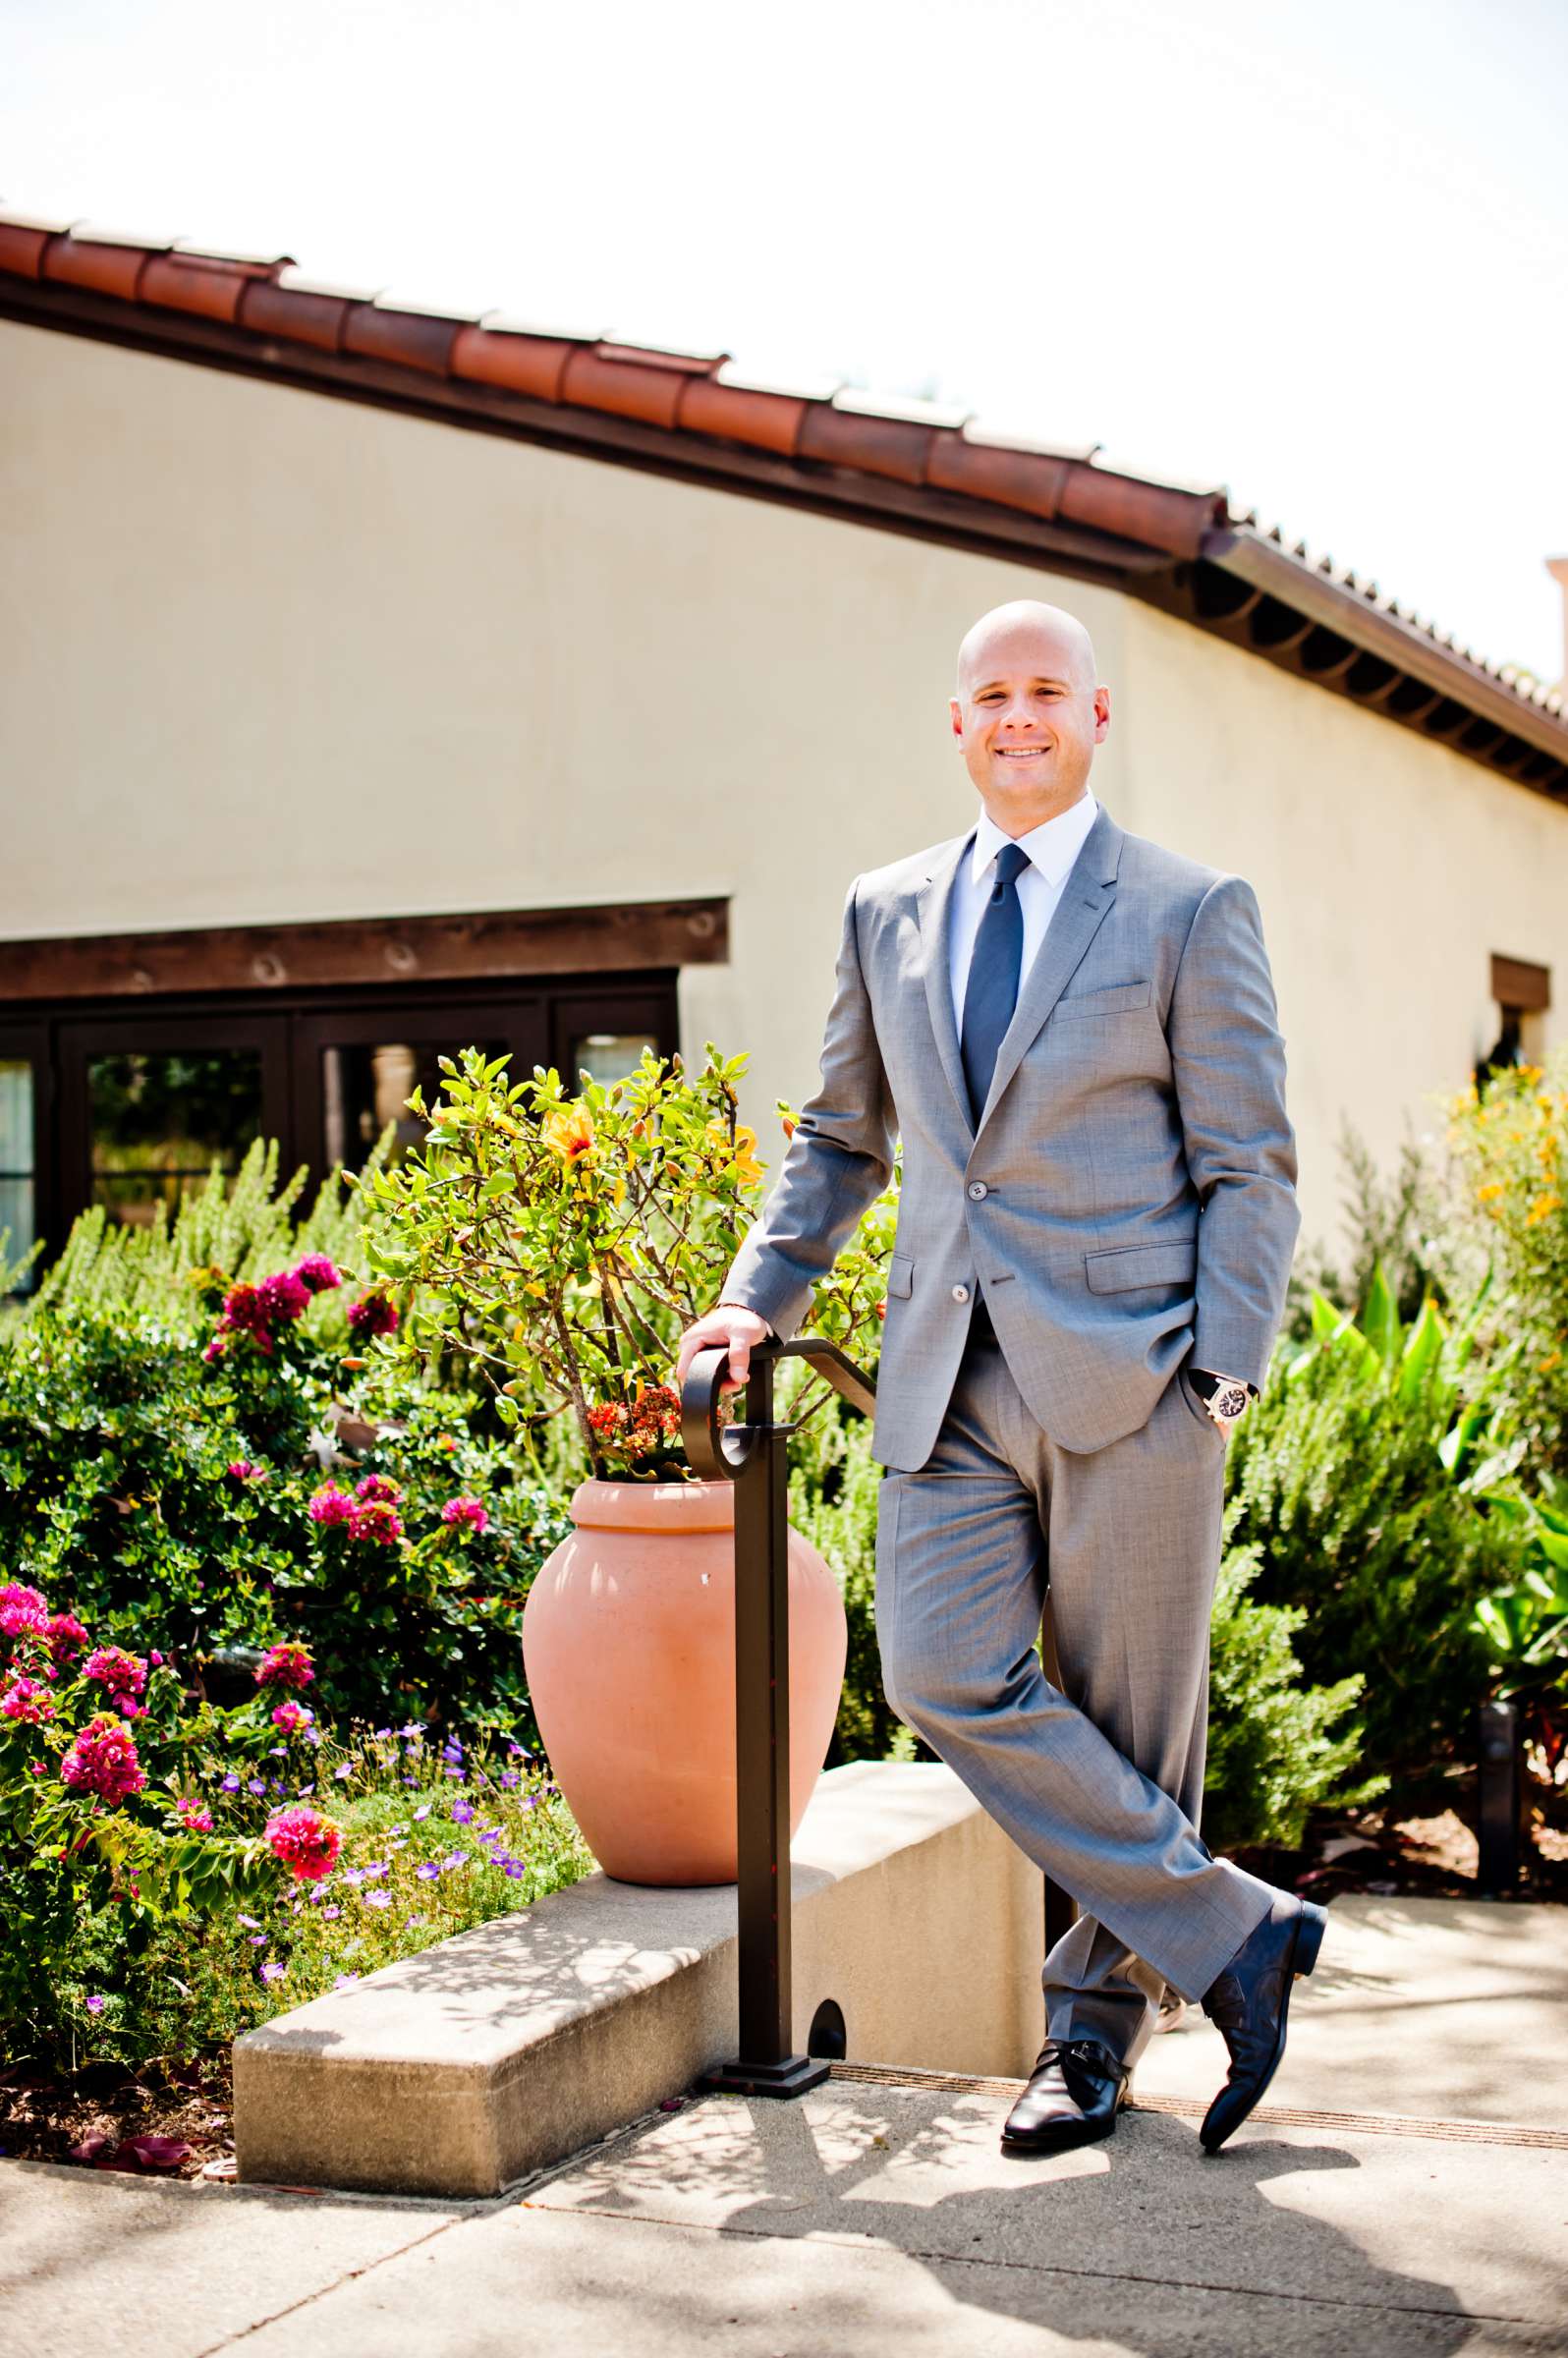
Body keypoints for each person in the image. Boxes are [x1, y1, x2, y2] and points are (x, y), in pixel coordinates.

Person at [675, 599, 1324, 2157]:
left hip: (1139, 1383)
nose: (1018, 716)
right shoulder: (885, 908)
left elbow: (1251, 1168)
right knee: (938, 1671)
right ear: (954, 725)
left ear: (1099, 714)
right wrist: (753, 1302)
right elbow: (843, 1137)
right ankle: (1237, 1930)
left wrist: (1218, 1381)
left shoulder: (1185, 905)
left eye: (1048, 690)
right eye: (991, 695)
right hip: (943, 1378)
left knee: (1128, 1715)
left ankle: (1088, 2047)